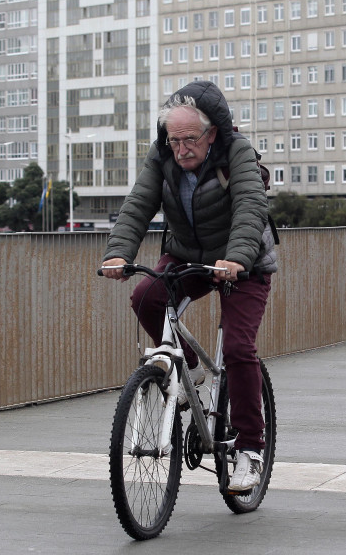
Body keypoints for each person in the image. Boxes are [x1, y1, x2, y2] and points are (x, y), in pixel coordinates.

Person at [100, 80, 277, 493]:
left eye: (189, 139)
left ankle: (250, 449)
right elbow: (139, 203)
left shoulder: (237, 153)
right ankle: (192, 374)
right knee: (146, 295)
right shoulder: (161, 157)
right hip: (188, 256)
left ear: (211, 133)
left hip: (244, 261)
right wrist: (118, 253)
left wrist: (236, 259)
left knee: (237, 349)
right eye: (173, 139)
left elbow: (251, 208)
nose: (180, 149)